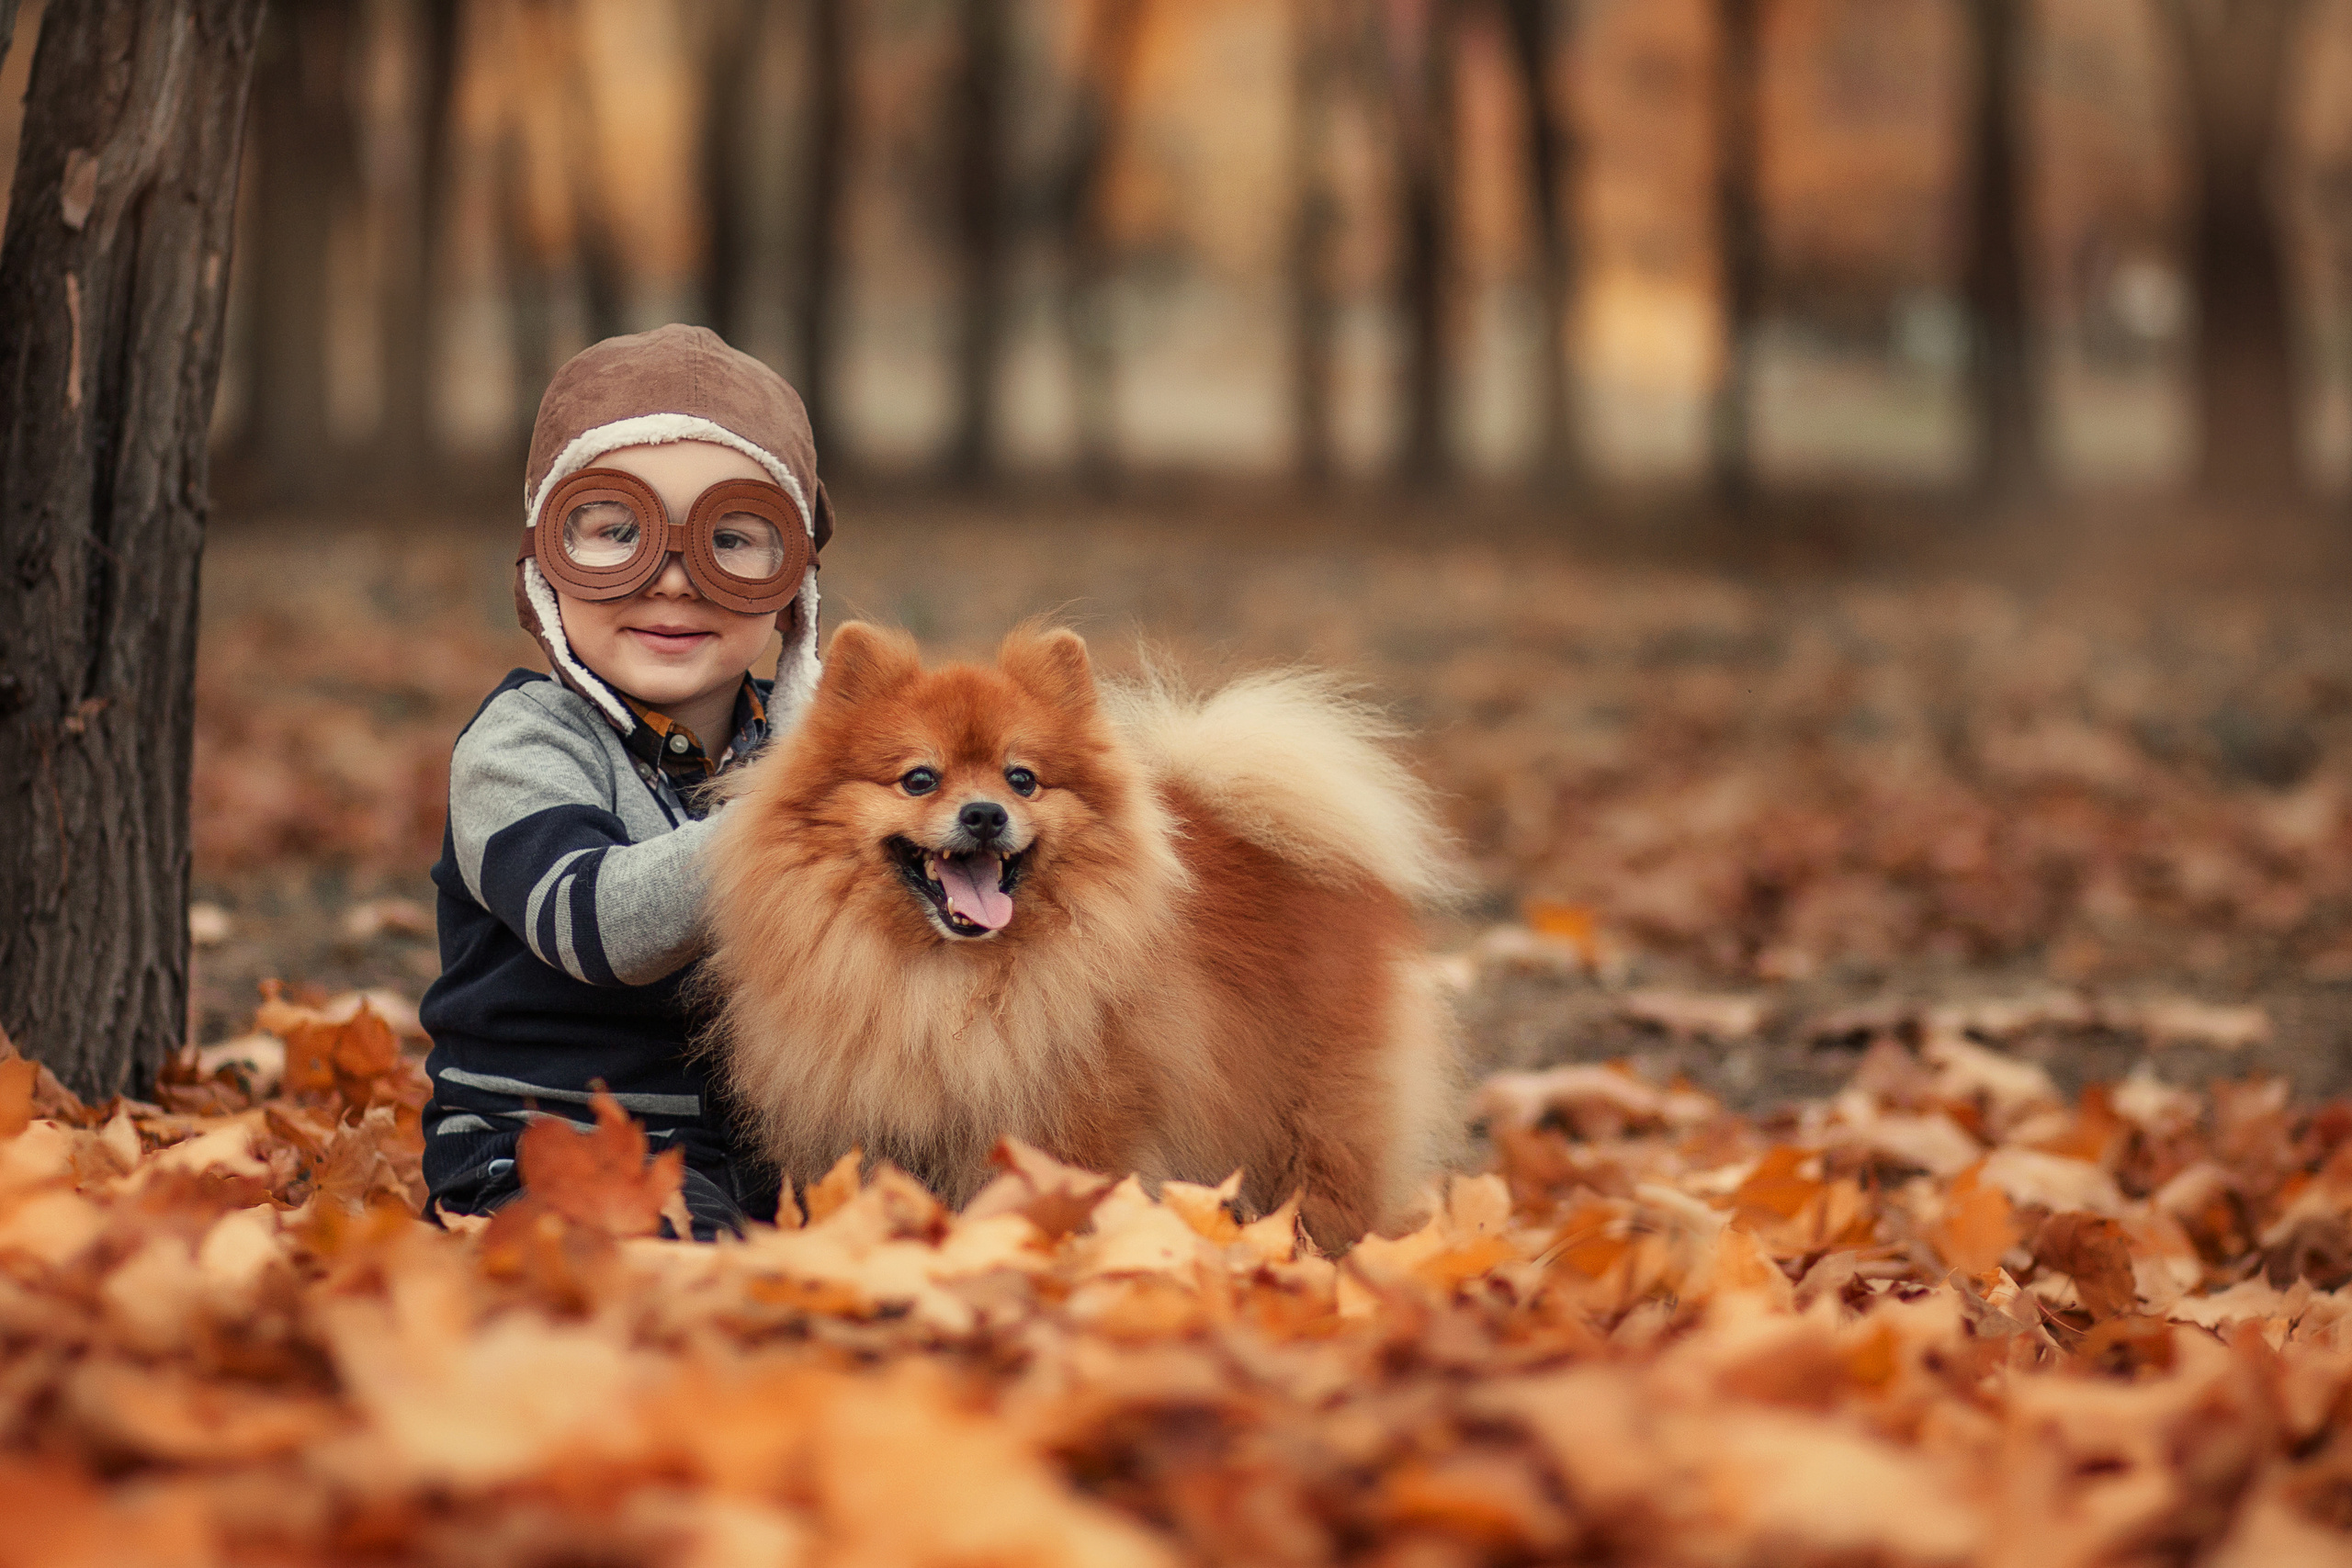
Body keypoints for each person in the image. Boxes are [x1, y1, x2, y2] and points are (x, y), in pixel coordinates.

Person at [417, 324, 833, 1238]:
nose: (676, 580)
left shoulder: (808, 747)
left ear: (794, 581)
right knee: (675, 1275)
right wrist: (803, 817)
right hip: (546, 1147)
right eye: (615, 532)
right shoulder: (520, 744)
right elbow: (599, 925)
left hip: (761, 1155)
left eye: (731, 537)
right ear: (544, 568)